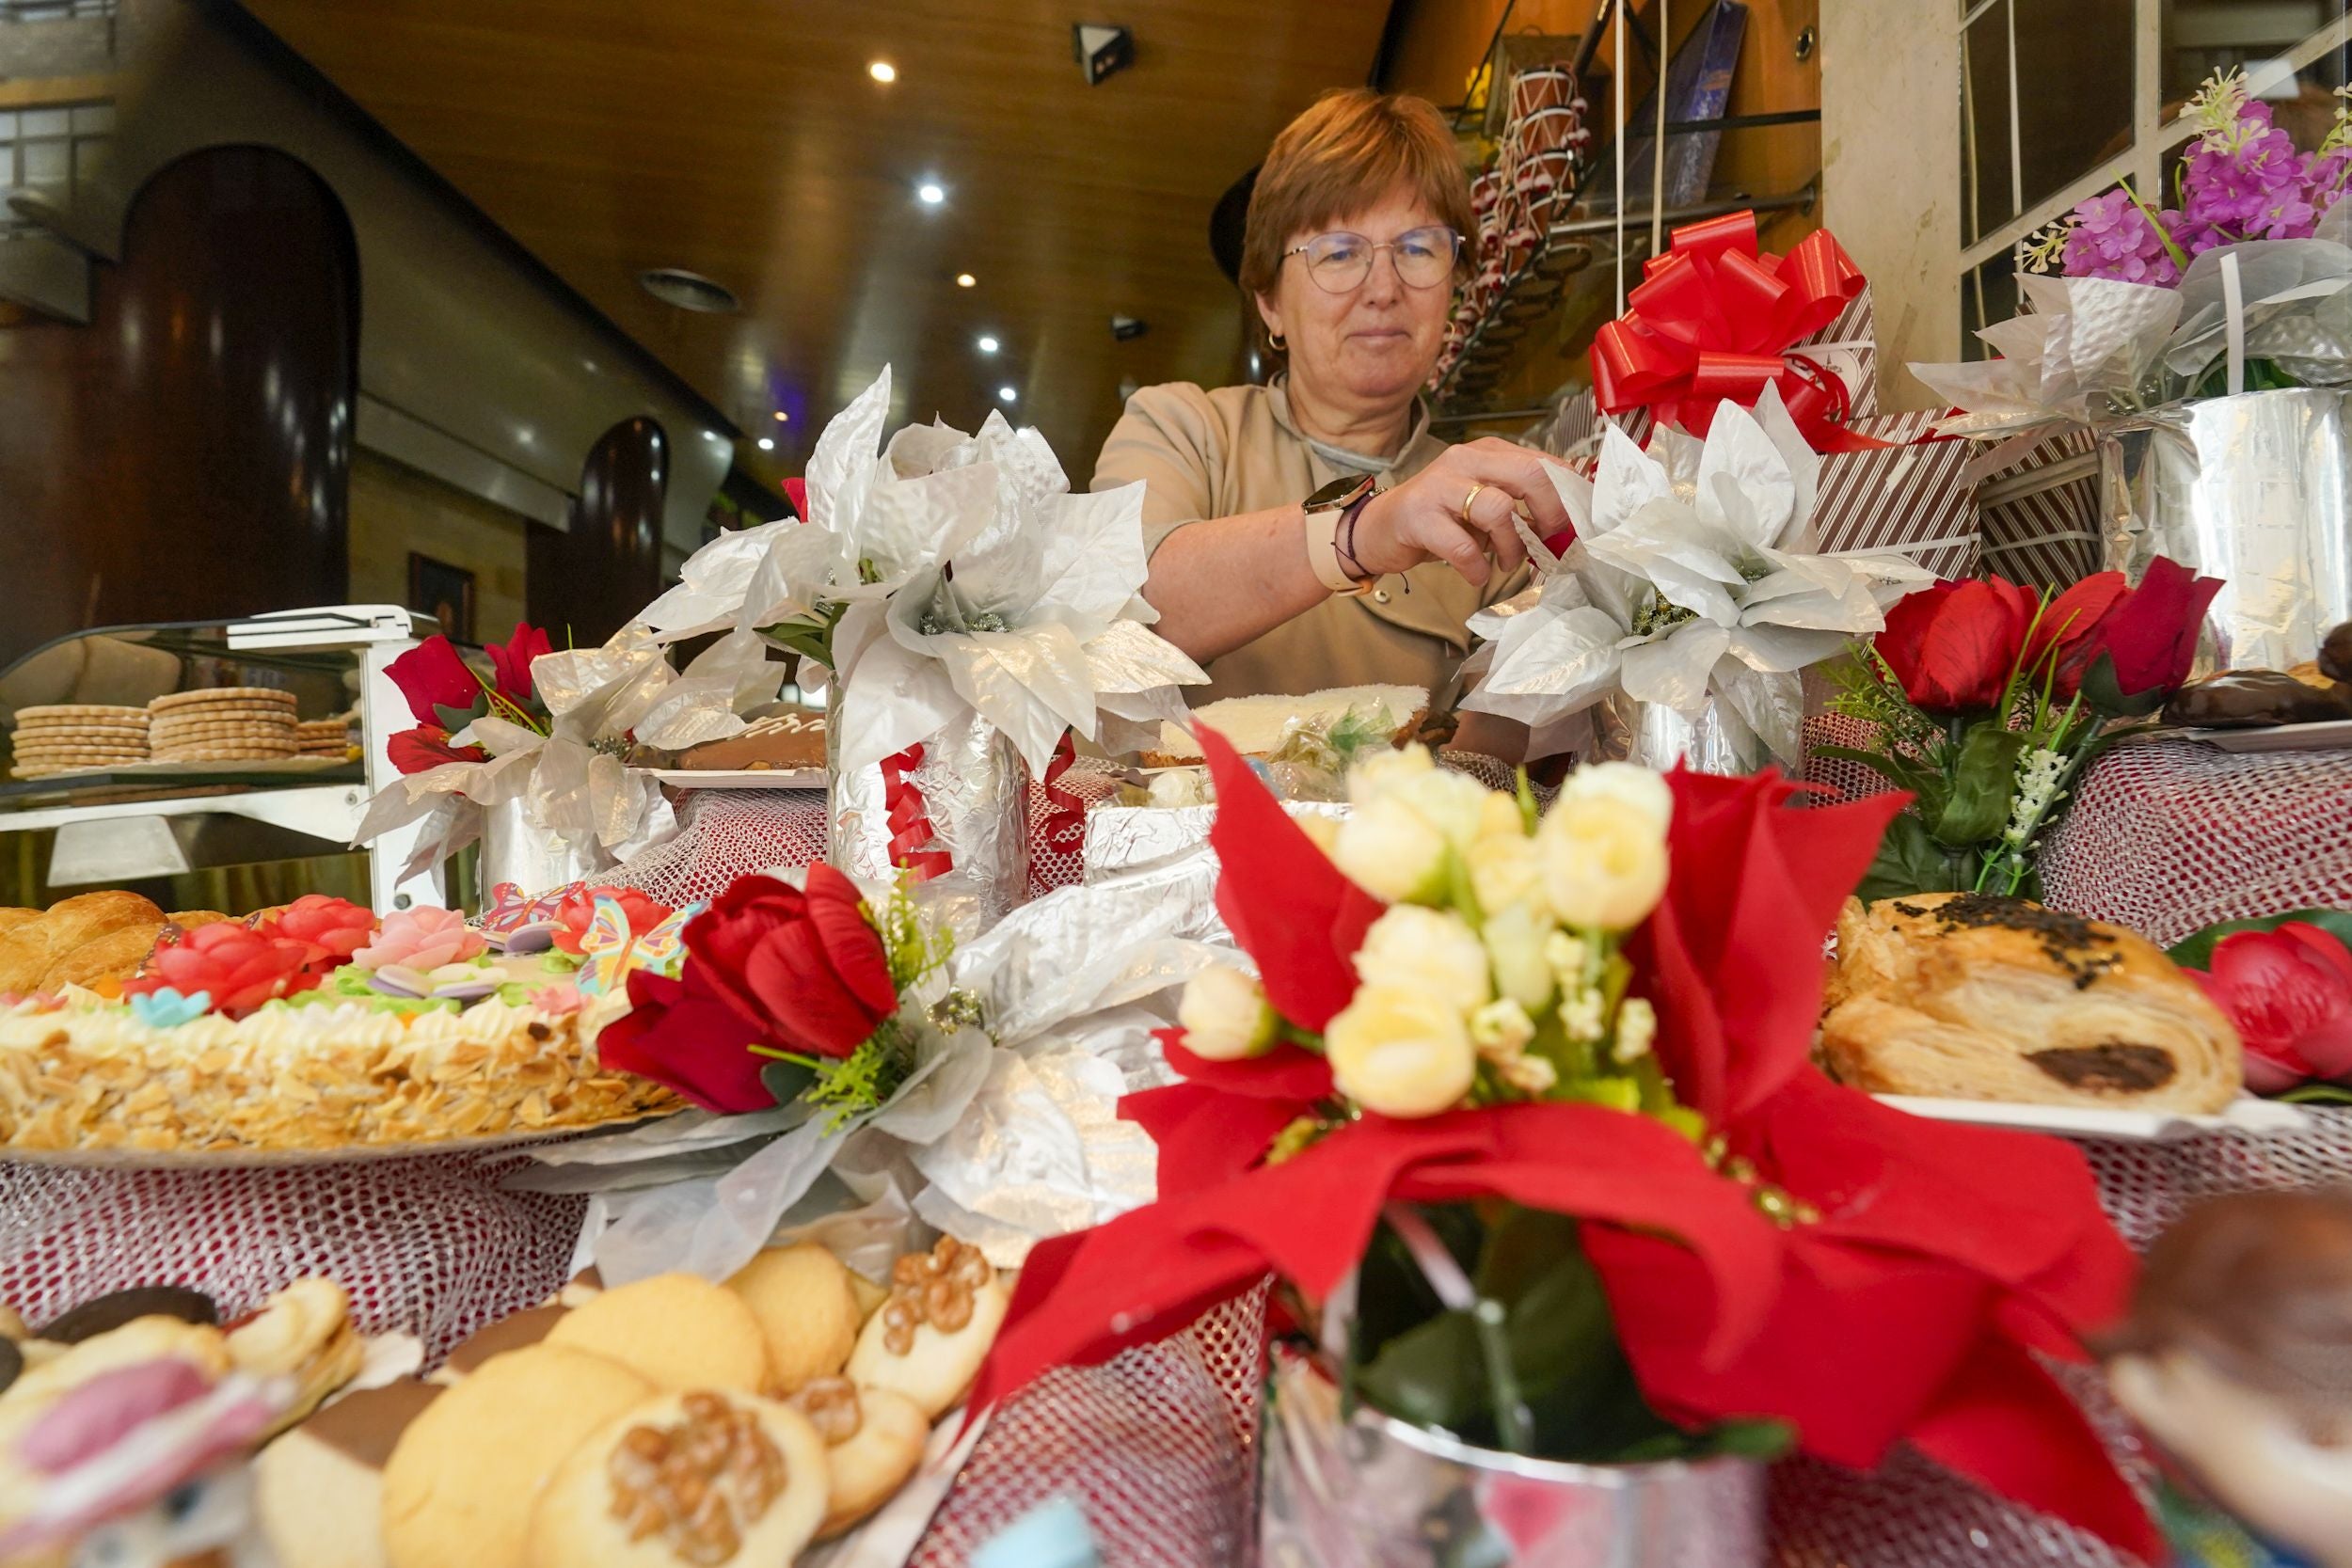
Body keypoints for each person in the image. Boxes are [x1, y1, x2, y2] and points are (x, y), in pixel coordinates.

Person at [1092, 89, 1570, 749]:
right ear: (1269, 303)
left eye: (1418, 248)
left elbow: (1493, 770)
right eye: (1339, 252)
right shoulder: (1186, 428)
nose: (1383, 287)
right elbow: (1120, 614)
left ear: (1455, 287)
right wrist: (1363, 532)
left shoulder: (1491, 504)